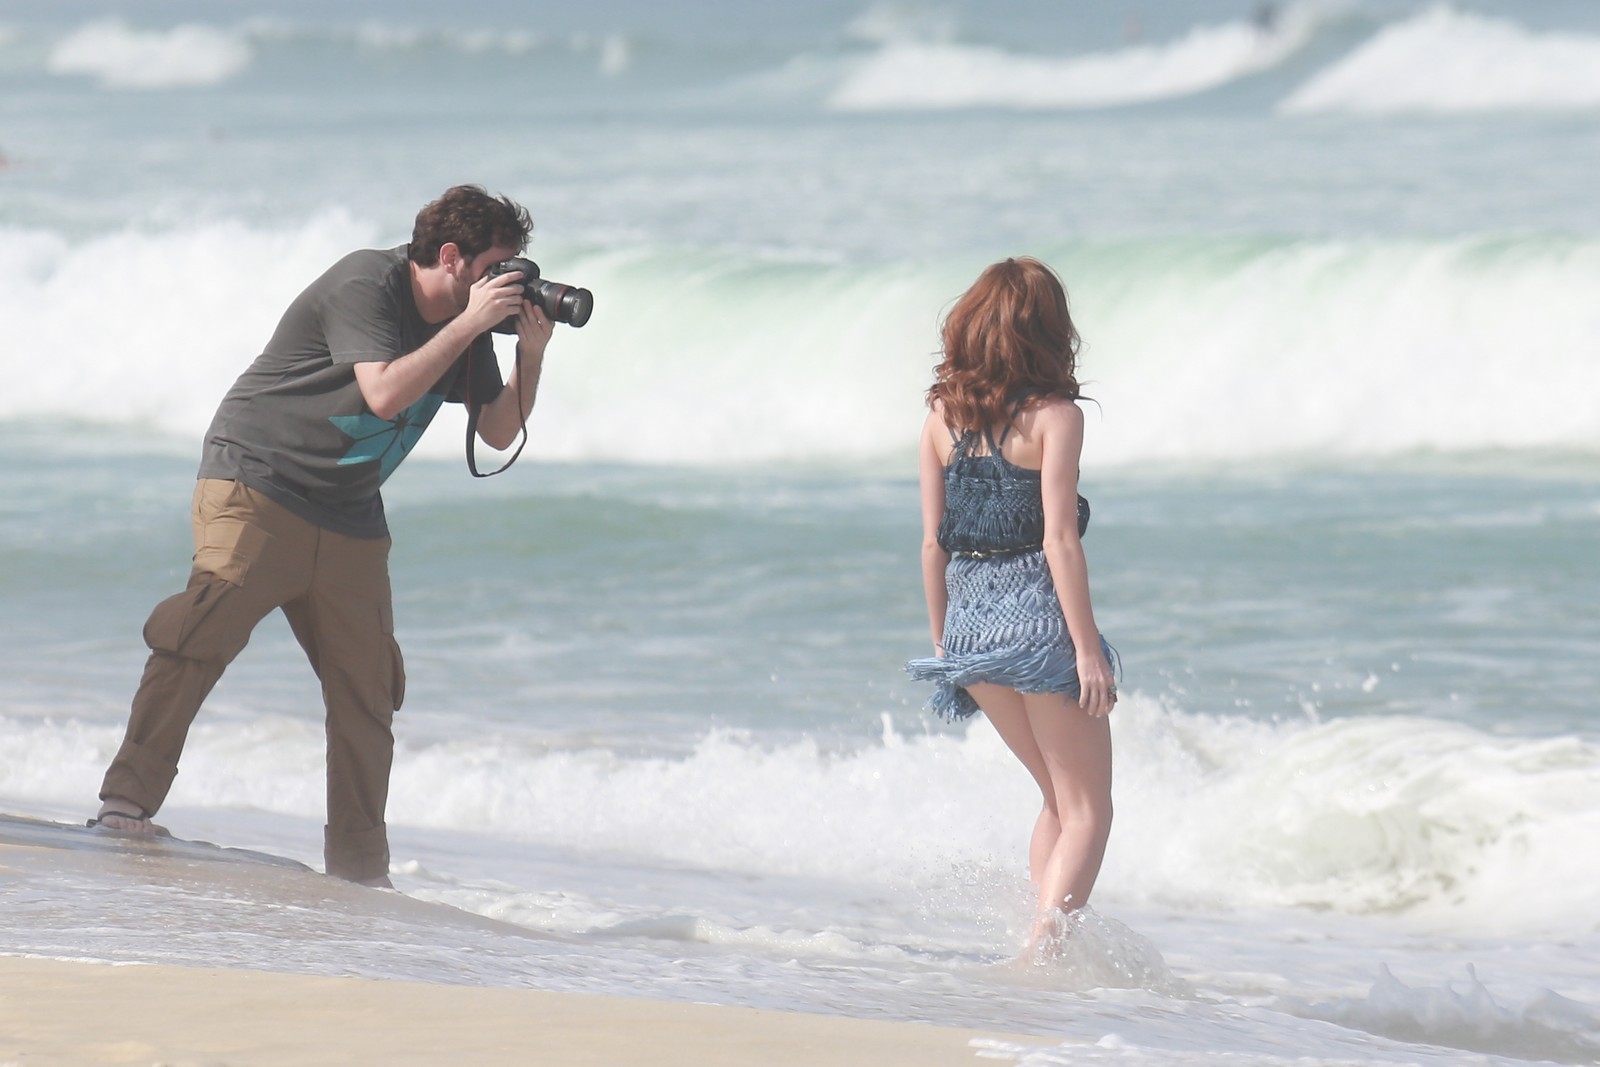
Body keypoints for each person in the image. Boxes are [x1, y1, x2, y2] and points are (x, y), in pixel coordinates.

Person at [88, 184, 554, 887]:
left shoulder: (466, 323)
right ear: (452, 259)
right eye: (497, 269)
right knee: (202, 630)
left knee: (368, 690)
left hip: (348, 513)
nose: (506, 285)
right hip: (257, 478)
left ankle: (361, 870)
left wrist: (532, 352)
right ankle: (125, 803)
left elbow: (496, 430)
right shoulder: (367, 282)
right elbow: (386, 393)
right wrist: (471, 326)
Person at [905, 257, 1119, 955]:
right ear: (1049, 331)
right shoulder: (1056, 418)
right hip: (1035, 621)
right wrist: (1087, 648)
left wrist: (948, 648)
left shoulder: (941, 415)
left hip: (968, 623)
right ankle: (1044, 945)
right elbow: (1059, 541)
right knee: (1089, 808)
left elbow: (933, 544)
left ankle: (1038, 936)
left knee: (1056, 800)